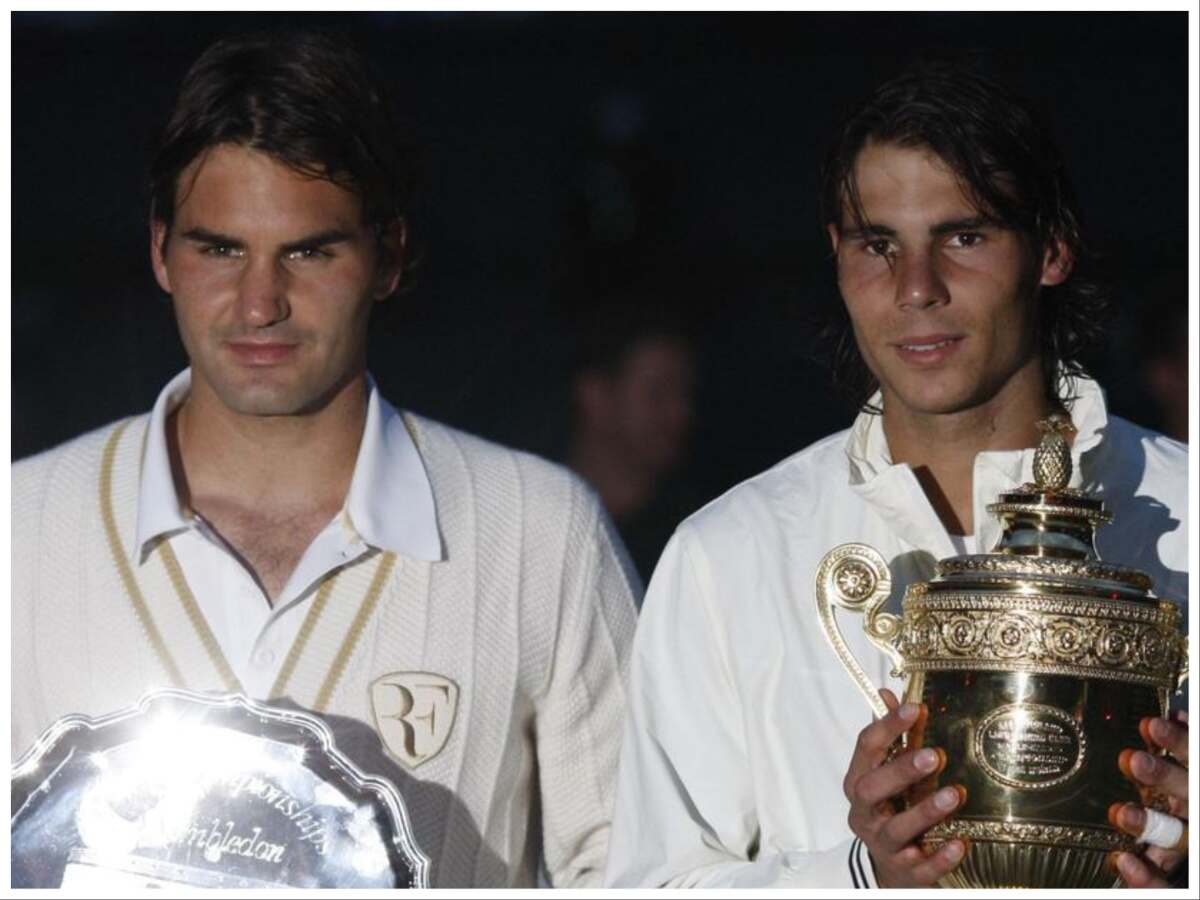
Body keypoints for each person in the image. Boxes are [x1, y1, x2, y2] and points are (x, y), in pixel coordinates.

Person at [10, 30, 638, 888]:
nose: (260, 302)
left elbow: (637, 874)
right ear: (161, 251)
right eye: (219, 248)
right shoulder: (23, 524)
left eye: (310, 250)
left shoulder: (538, 530)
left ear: (389, 256)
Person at [604, 63, 1189, 889]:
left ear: (1053, 249)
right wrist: (860, 878)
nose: (916, 290)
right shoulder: (728, 555)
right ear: (836, 258)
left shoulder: (1188, 508)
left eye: (964, 236)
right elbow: (652, 885)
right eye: (878, 245)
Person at [567, 290, 700, 586]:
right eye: (657, 394)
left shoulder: (688, 538)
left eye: (683, 393)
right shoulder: (539, 514)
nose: (679, 413)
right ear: (594, 395)